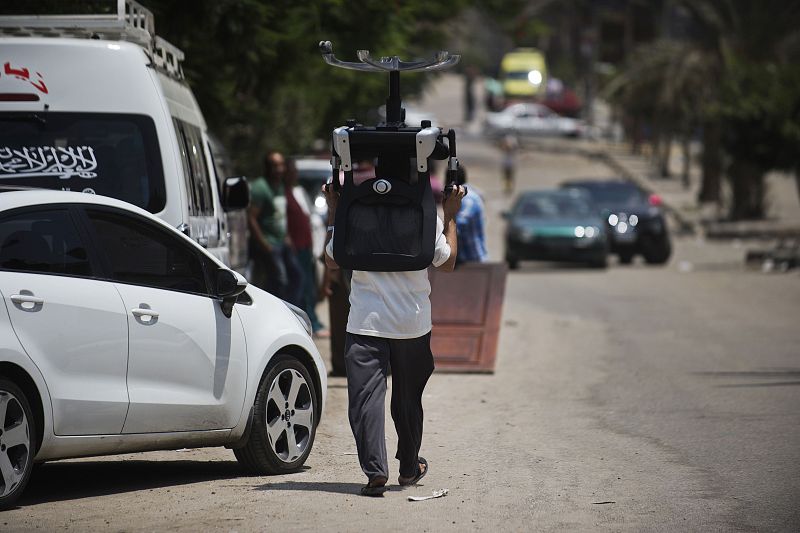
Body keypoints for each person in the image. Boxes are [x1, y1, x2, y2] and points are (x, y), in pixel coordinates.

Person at [323, 178, 466, 496]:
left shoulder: (356, 211)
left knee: (365, 401)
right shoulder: (423, 212)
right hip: (411, 324)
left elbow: (332, 260)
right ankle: (408, 467)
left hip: (364, 323)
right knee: (407, 399)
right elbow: (448, 262)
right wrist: (450, 212)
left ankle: (376, 471)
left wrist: (335, 210)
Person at [247, 150, 303, 305]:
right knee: (280, 280)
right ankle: (274, 311)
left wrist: (287, 237)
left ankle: (291, 312)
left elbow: (280, 215)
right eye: (274, 166)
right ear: (267, 167)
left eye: (281, 165)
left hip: (282, 242)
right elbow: (251, 218)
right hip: (270, 243)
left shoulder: (279, 186)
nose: (279, 169)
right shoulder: (260, 187)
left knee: (297, 276)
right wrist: (264, 243)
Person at [284, 158, 327, 335]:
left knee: (309, 285)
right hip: (295, 247)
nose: (294, 174)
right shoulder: (283, 193)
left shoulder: (299, 191)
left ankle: (312, 321)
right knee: (299, 286)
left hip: (306, 245)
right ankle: (306, 322)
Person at [453, 165, 488, 264]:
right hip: (466, 258)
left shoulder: (468, 198)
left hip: (474, 258)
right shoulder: (464, 194)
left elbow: (460, 224)